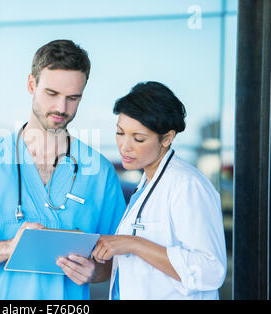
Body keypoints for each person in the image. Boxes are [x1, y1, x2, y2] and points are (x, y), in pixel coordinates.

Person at [0, 39, 126, 300]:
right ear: (31, 85)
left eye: (73, 98)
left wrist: (94, 273)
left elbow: (116, 262)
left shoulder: (99, 173)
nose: (62, 108)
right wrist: (8, 248)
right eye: (52, 94)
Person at [92, 81, 227, 299]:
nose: (125, 146)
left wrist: (133, 244)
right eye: (120, 133)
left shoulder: (187, 185)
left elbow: (210, 270)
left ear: (167, 138)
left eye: (138, 138)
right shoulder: (146, 183)